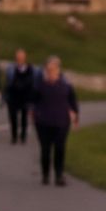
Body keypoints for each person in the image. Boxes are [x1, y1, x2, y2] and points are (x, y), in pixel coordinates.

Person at [31, 55, 79, 185]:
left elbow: (73, 102)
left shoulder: (66, 85)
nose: (51, 72)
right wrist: (34, 115)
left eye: (53, 69)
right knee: (45, 149)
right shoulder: (40, 85)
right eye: (48, 70)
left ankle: (59, 175)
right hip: (43, 122)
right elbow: (33, 101)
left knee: (60, 148)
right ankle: (45, 174)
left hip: (61, 122)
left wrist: (75, 118)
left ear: (58, 70)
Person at [6, 48, 37, 143]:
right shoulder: (11, 69)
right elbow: (8, 83)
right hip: (13, 97)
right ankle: (14, 136)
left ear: (25, 58)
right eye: (18, 57)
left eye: (22, 57)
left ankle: (23, 135)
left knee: (24, 118)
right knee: (13, 118)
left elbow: (32, 82)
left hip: (25, 97)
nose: (20, 59)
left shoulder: (30, 69)